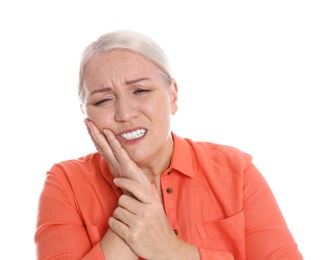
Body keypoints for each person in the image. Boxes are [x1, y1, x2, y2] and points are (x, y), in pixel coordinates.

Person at [34, 30, 303, 260]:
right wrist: (131, 220)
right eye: (103, 100)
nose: (124, 113)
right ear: (86, 114)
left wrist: (171, 250)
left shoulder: (236, 170)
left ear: (172, 94)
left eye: (140, 90)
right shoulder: (65, 183)